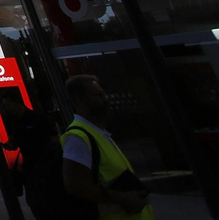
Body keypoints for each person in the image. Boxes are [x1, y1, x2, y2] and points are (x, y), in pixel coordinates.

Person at [62, 74, 152, 220]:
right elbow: (75, 185)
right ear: (80, 100)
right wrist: (123, 199)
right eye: (98, 96)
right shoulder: (78, 137)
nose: (105, 100)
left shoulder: (96, 132)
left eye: (103, 95)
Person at [3, 96, 61, 220]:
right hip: (29, 165)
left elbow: (55, 140)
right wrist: (8, 145)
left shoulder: (38, 118)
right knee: (34, 201)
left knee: (49, 199)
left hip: (46, 162)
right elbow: (13, 141)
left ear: (17, 103)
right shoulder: (11, 120)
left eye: (8, 105)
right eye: (5, 106)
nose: (7, 109)